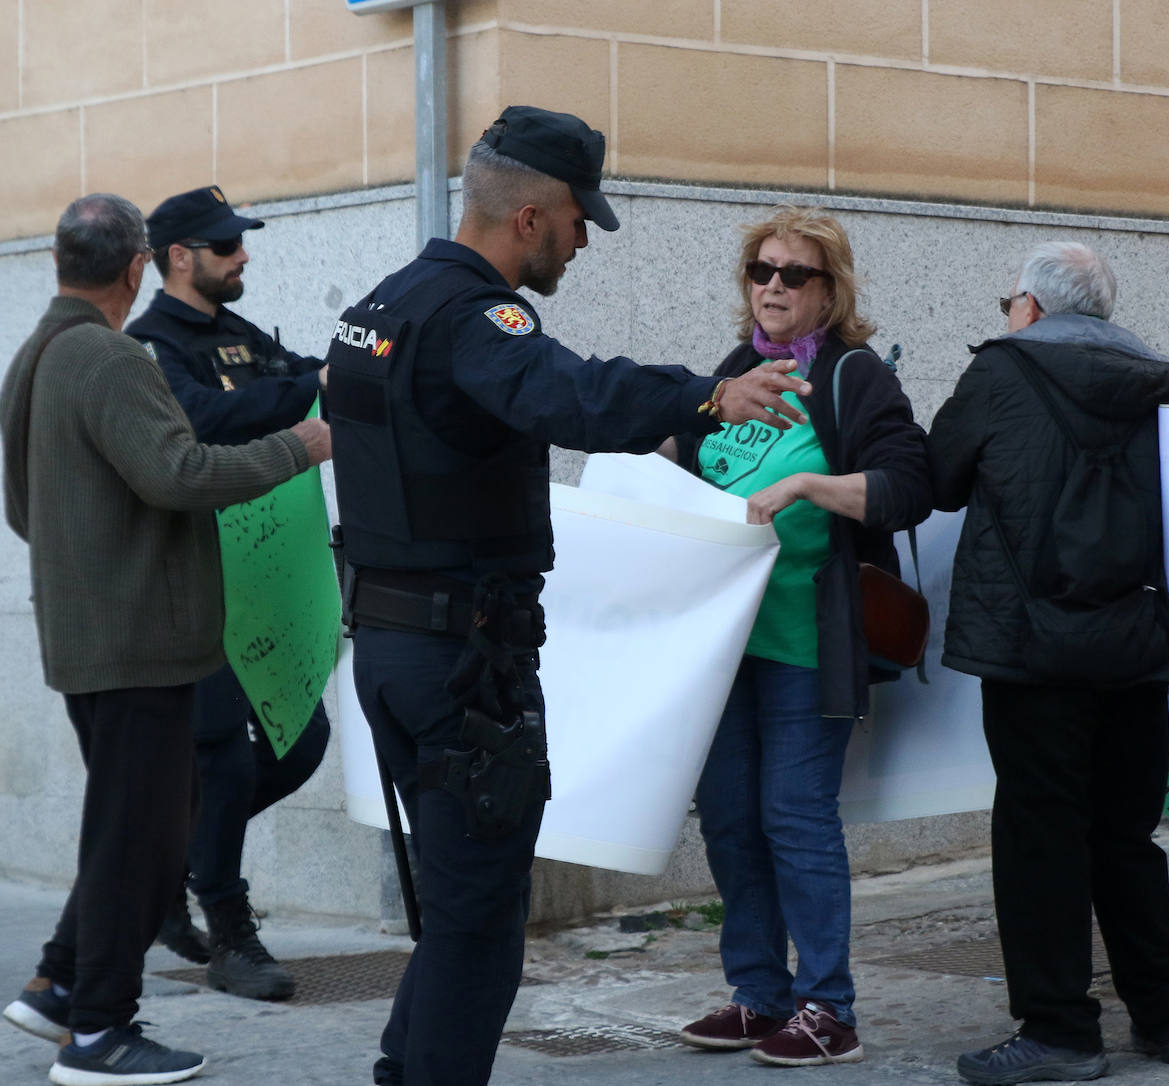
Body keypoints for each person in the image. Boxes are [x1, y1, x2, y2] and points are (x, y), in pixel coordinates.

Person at [324, 105, 815, 1086]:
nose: (585, 239)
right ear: (531, 218)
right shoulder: (476, 319)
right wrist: (708, 394)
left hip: (391, 649)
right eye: (579, 219)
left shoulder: (378, 307)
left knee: (460, 905)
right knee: (482, 921)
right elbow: (571, 397)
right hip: (461, 665)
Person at [0, 194, 330, 1085]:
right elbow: (180, 474)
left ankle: (60, 989)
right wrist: (300, 445)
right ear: (140, 265)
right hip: (138, 641)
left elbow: (23, 511)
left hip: (95, 635)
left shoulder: (34, 356)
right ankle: (101, 1034)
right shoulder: (109, 359)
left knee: (137, 829)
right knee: (138, 839)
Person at [928, 242, 1169, 1084]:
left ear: (1032, 307)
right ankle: (1165, 1018)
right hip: (1133, 644)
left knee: (1040, 837)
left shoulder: (1002, 372)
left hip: (1033, 647)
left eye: (1007, 300)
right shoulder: (1168, 381)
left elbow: (941, 477)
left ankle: (1060, 1030)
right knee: (1125, 835)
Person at [667, 206, 929, 1067]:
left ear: (829, 292)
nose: (773, 286)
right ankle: (757, 996)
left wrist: (815, 486)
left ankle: (829, 1008)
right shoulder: (736, 372)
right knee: (731, 820)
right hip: (722, 648)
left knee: (794, 816)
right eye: (761, 271)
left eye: (795, 274)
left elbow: (909, 484)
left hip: (806, 641)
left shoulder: (854, 379)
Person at [124, 185, 332, 1001]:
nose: (242, 254)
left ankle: (176, 864)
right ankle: (230, 933)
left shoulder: (236, 333)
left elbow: (301, 380)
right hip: (191, 583)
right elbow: (204, 421)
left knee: (300, 740)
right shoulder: (149, 347)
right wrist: (298, 399)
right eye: (225, 245)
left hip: (264, 581)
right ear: (180, 257)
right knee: (221, 749)